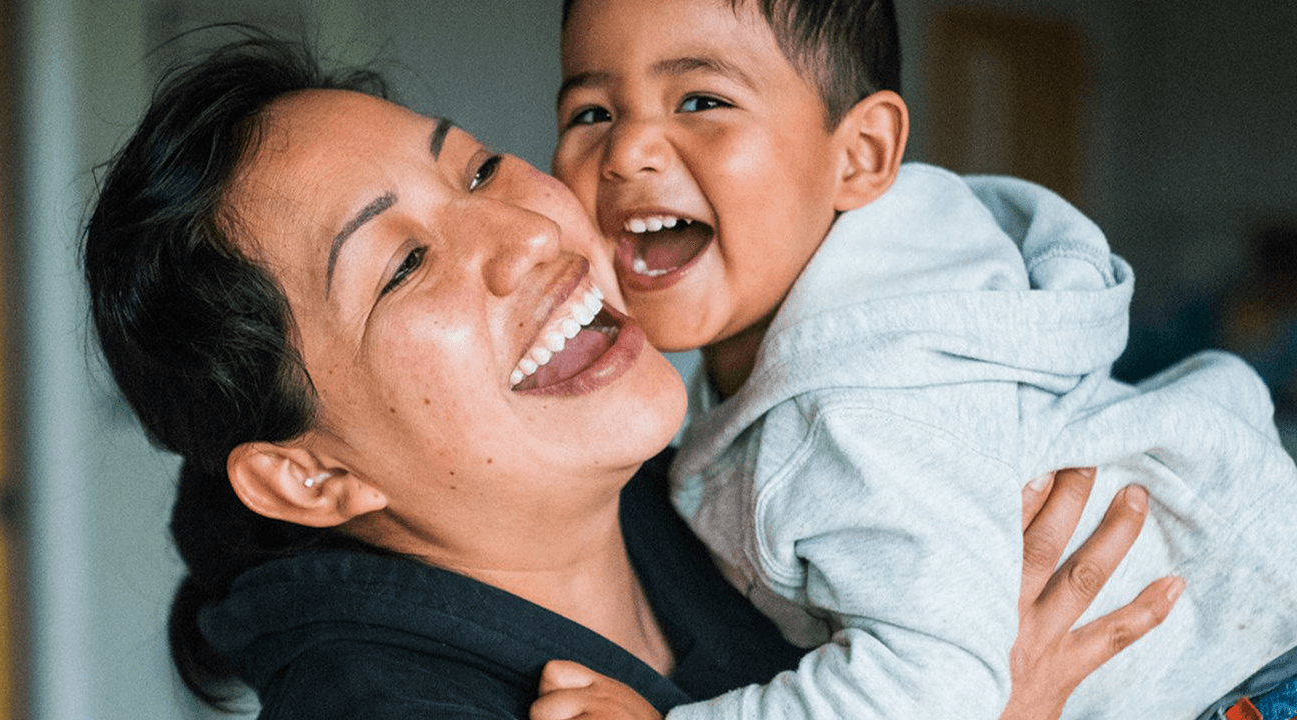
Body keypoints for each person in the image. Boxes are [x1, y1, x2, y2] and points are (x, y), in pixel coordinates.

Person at [83, 37, 1178, 720]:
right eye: (404, 264)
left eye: (477, 169)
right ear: (311, 478)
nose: (530, 233)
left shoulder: (726, 486)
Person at [548, 0, 1297, 718]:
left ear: (862, 154)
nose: (626, 152)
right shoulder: (782, 360)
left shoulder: (868, 405)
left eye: (701, 101)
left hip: (1250, 685)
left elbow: (934, 694)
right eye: (592, 113)